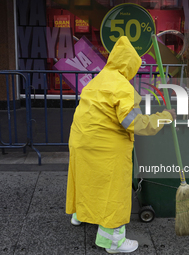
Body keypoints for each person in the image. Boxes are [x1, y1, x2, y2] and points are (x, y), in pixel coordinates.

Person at [65, 36, 176, 254]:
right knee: (112, 191)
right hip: (106, 148)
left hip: (81, 141)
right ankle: (113, 241)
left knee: (86, 179)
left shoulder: (97, 80)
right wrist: (164, 117)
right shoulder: (123, 87)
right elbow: (136, 124)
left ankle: (80, 215)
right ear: (130, 65)